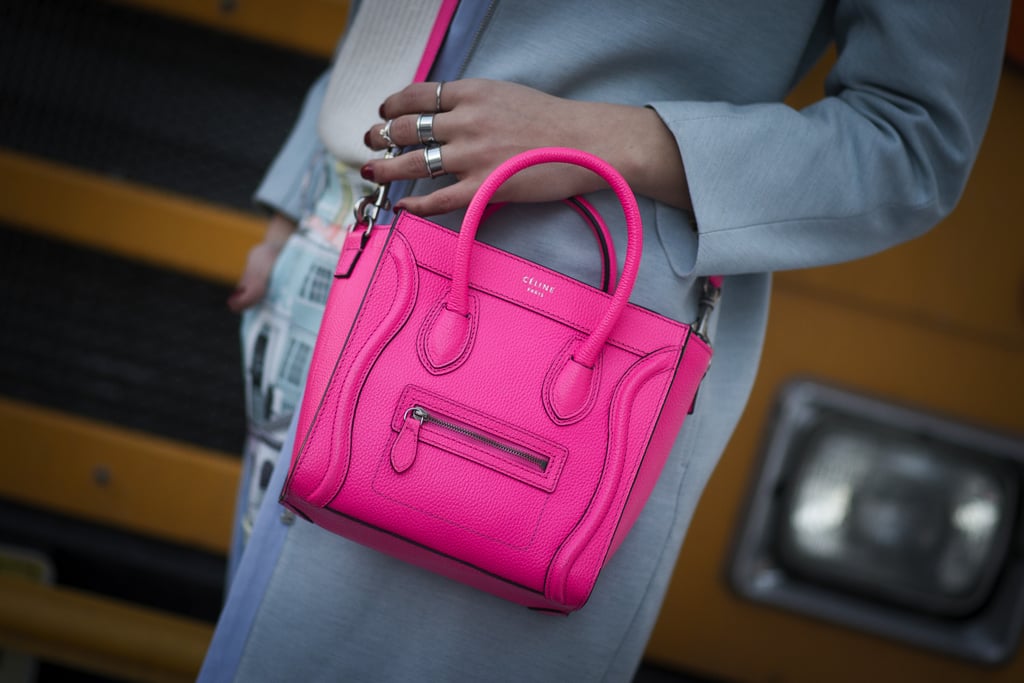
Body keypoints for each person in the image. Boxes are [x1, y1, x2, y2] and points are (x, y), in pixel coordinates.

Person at [202, 1, 1011, 680]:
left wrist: (592, 137)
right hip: (343, 259)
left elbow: (914, 141)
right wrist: (303, 189)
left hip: (563, 338)